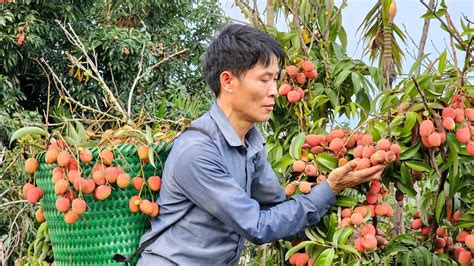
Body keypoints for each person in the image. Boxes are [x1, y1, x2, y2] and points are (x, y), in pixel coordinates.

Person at [137, 24, 384, 265]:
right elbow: (257, 226)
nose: (275, 91)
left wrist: (341, 207)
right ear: (228, 81)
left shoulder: (251, 140)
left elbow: (276, 208)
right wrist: (330, 188)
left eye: (276, 79)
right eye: (265, 79)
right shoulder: (197, 151)